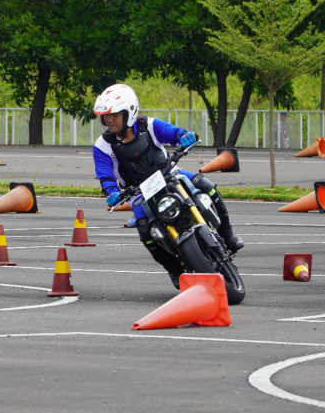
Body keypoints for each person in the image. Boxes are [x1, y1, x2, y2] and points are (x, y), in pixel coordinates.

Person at [92, 84, 244, 285]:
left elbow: (174, 133)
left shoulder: (150, 125)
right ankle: (173, 269)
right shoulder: (101, 147)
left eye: (114, 115)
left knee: (207, 186)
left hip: (169, 175)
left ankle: (228, 235)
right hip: (139, 192)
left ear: (129, 112)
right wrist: (111, 192)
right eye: (105, 116)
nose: (109, 120)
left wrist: (184, 136)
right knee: (144, 230)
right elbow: (105, 175)